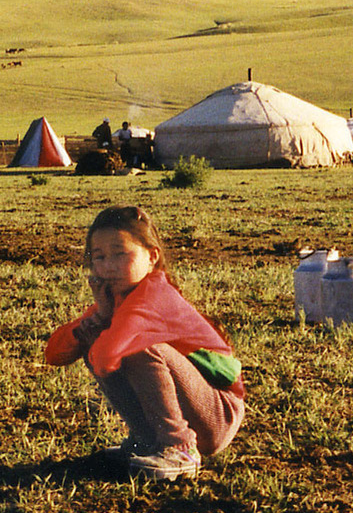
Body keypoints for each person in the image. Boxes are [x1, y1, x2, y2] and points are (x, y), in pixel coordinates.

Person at [44, 205, 245, 480]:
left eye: (120, 254)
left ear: (152, 257)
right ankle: (147, 441)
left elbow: (104, 359)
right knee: (96, 342)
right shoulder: (116, 299)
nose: (108, 266)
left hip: (218, 413)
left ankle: (180, 447)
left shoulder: (152, 296)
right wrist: (99, 319)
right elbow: (54, 353)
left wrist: (102, 326)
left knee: (135, 347)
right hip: (196, 410)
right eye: (99, 257)